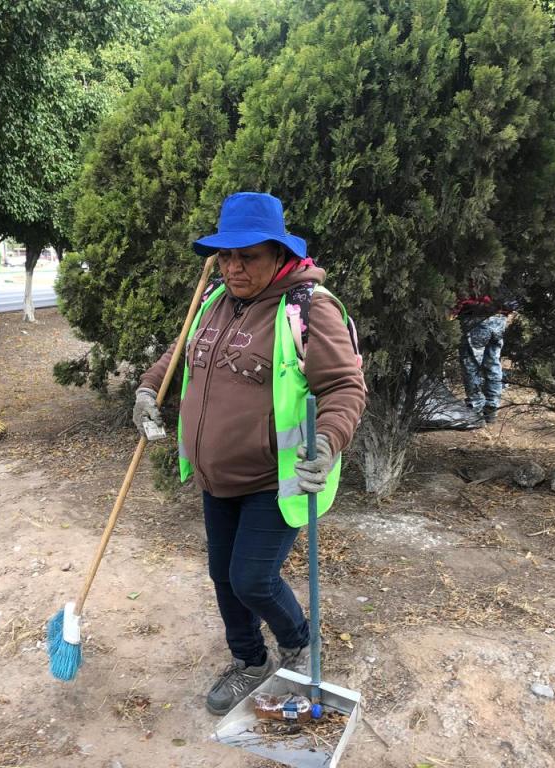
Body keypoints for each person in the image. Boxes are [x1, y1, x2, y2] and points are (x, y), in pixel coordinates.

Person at [132, 192, 366, 716]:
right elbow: (178, 355)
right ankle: (249, 661)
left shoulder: (309, 308)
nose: (234, 267)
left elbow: (346, 388)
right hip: (215, 477)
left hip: (275, 477)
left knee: (251, 578)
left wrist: (326, 444)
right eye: (225, 255)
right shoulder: (213, 300)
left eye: (248, 256)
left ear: (279, 255)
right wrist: (149, 390)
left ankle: (300, 642)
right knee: (222, 575)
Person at [452, 270, 518, 424]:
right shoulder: (497, 267)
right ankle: (491, 408)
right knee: (493, 363)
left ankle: (475, 410)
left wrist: (452, 312)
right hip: (499, 320)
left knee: (471, 365)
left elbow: (463, 295)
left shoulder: (472, 268)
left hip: (476, 319)